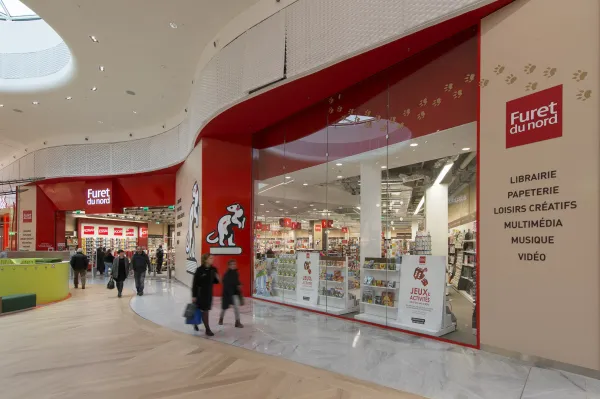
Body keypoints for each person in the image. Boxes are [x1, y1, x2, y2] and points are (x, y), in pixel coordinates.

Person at [191, 254, 219, 336]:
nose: (212, 259)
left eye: (212, 258)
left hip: (209, 293)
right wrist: (194, 295)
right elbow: (195, 284)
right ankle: (207, 329)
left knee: (201, 310)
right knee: (205, 311)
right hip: (200, 293)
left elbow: (215, 281)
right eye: (210, 258)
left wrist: (217, 277)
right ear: (205, 260)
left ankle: (195, 323)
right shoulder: (199, 270)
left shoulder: (213, 269)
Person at [219, 259, 243, 328]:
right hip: (227, 294)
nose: (233, 266)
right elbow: (226, 285)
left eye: (234, 264)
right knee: (224, 308)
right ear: (229, 266)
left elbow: (236, 281)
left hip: (234, 293)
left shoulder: (236, 273)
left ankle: (237, 322)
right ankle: (221, 319)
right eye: (232, 264)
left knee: (236, 307)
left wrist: (239, 285)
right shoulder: (226, 274)